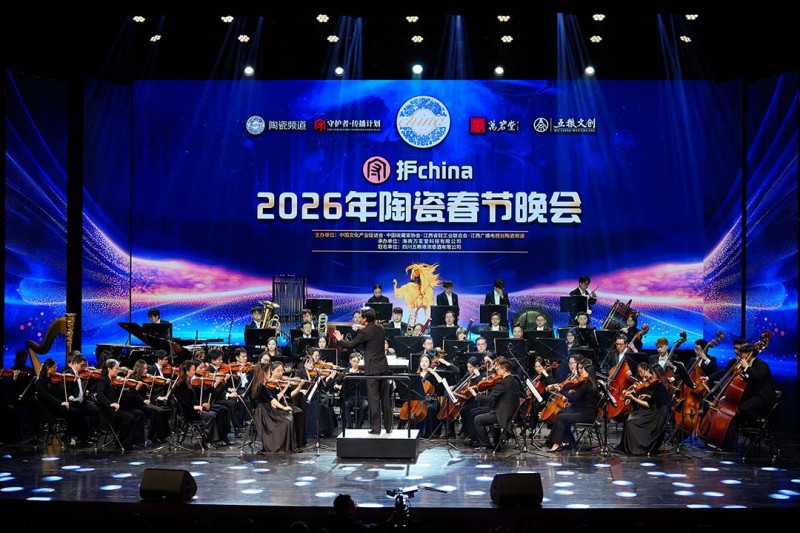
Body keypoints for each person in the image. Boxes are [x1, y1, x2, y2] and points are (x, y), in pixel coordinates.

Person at [333, 307, 391, 434]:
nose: (360, 319)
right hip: (383, 367)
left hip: (372, 369)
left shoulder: (365, 332)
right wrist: (362, 327)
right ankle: (388, 426)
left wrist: (340, 339)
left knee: (374, 399)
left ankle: (376, 428)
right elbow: (371, 331)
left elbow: (350, 345)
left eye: (361, 317)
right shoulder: (380, 328)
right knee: (385, 397)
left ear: (364, 319)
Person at [702, 339, 776, 426]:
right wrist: (728, 396)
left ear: (748, 354)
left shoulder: (761, 364)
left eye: (741, 354)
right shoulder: (744, 364)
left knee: (743, 408)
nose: (740, 356)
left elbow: (757, 377)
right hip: (751, 394)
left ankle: (756, 424)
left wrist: (746, 367)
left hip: (761, 396)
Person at [546, 359, 599, 452]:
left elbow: (574, 398)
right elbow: (582, 400)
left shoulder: (587, 385)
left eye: (582, 370)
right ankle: (568, 441)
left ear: (588, 372)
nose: (580, 372)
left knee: (562, 417)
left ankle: (557, 443)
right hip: (585, 411)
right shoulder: (589, 383)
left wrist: (561, 390)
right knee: (561, 413)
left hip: (587, 415)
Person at [468, 357, 521, 451]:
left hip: (502, 415)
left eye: (498, 369)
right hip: (510, 413)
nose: (496, 371)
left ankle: (485, 445)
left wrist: (475, 395)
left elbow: (490, 398)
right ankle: (495, 443)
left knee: (478, 419)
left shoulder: (503, 382)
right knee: (480, 413)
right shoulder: (514, 380)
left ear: (504, 370)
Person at [618, 362, 671, 455]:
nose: (650, 376)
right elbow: (656, 399)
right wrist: (647, 396)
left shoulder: (659, 385)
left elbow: (648, 405)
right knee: (627, 416)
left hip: (656, 416)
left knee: (631, 422)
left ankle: (635, 448)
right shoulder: (660, 384)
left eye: (652, 373)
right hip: (656, 412)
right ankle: (625, 447)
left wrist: (633, 398)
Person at [93, 359, 146, 448]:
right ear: (109, 369)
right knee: (129, 417)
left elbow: (123, 395)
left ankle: (137, 441)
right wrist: (110, 404)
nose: (118, 371)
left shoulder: (114, 382)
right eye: (116, 369)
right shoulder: (103, 380)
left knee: (139, 413)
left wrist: (131, 389)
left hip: (118, 408)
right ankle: (123, 442)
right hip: (108, 410)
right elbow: (100, 395)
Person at [251, 362, 295, 453]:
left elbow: (273, 398)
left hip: (268, 410)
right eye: (269, 372)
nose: (270, 374)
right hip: (263, 413)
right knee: (286, 421)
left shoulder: (264, 385)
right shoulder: (260, 387)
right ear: (264, 373)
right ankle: (277, 446)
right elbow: (271, 400)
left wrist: (285, 388)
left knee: (289, 418)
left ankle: (285, 445)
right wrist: (283, 408)